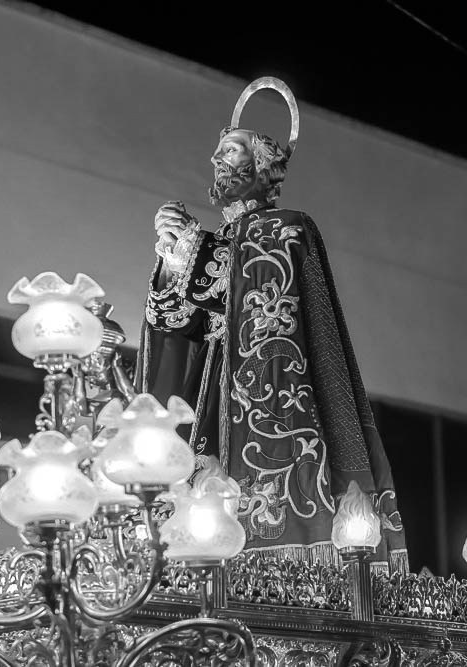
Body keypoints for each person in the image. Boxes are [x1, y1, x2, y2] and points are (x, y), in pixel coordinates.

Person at [136, 78, 406, 570]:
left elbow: (254, 284)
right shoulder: (219, 242)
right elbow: (180, 321)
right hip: (213, 393)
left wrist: (194, 250)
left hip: (269, 391)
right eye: (217, 151)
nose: (218, 160)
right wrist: (173, 264)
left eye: (233, 151)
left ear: (264, 167)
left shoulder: (288, 228)